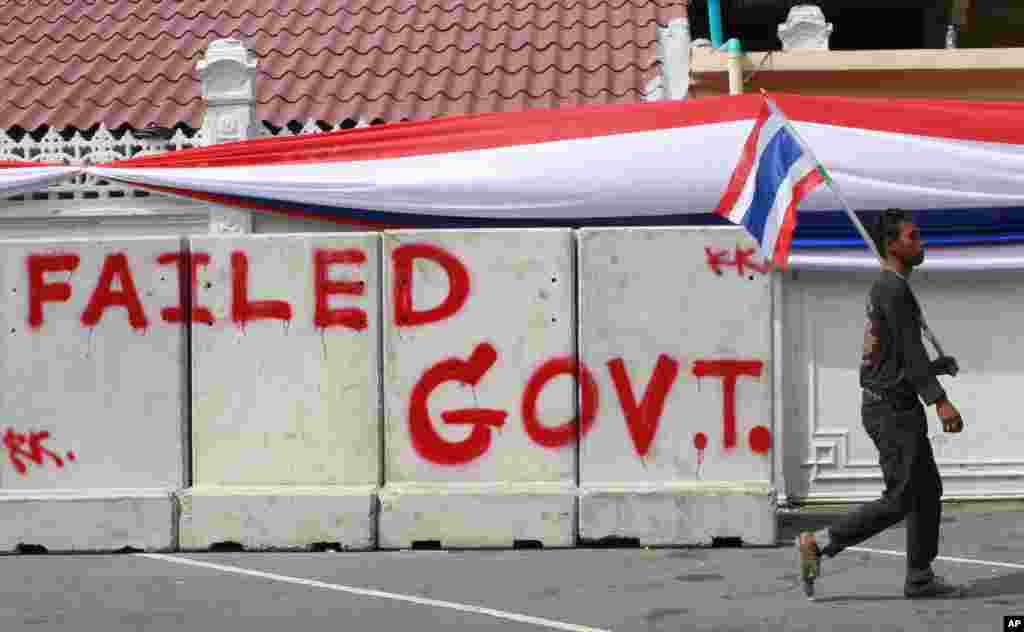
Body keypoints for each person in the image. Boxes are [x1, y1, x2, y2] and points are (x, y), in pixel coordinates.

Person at [797, 208, 966, 600]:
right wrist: (940, 402)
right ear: (891, 245)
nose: (920, 243)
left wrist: (935, 367)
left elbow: (896, 355)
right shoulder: (893, 289)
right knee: (904, 495)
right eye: (912, 237)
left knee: (926, 491)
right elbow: (908, 351)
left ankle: (920, 577)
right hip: (890, 409)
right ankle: (819, 542)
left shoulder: (892, 288)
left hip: (894, 403)